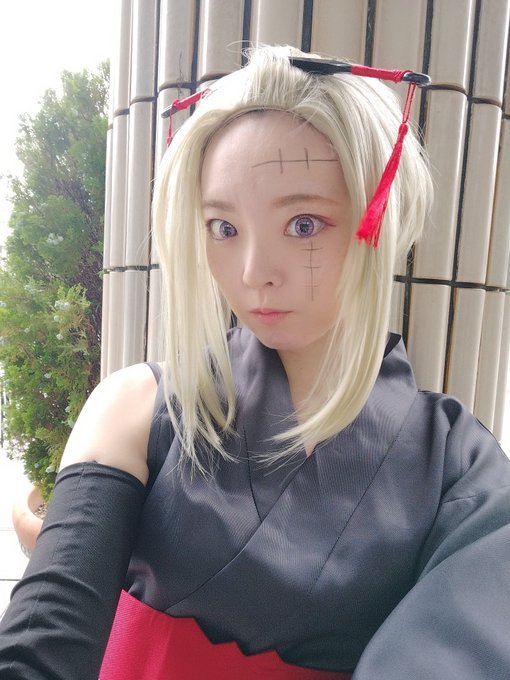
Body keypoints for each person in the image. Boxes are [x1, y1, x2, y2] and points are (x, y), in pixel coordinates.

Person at [0, 45, 509, 680]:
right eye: (223, 227)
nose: (253, 273)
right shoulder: (137, 407)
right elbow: (45, 636)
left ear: (382, 218)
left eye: (303, 224)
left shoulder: (460, 469)